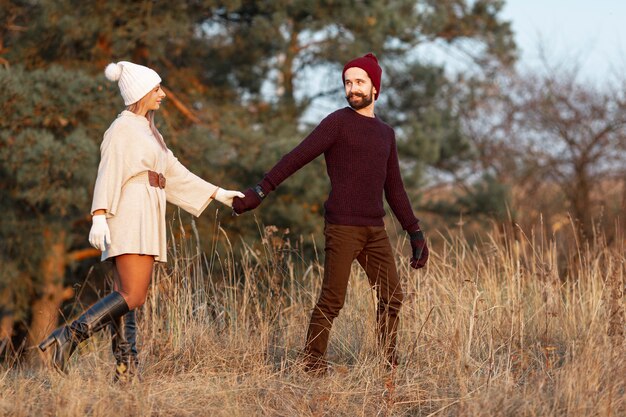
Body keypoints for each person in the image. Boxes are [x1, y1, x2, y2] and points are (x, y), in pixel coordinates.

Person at [38, 61, 244, 380]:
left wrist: (218, 193)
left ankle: (126, 370)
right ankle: (69, 336)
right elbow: (108, 171)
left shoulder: (149, 131)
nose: (162, 94)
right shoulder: (122, 128)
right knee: (135, 294)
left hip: (146, 212)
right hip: (130, 212)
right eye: (157, 89)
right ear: (141, 93)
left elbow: (174, 173)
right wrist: (99, 216)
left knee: (126, 296)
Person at [232, 53, 429, 373]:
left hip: (375, 231)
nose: (352, 88)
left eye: (359, 82)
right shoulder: (337, 123)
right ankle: (312, 365)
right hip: (342, 227)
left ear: (375, 88)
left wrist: (415, 232)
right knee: (332, 300)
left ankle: (388, 365)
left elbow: (394, 189)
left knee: (392, 297)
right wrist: (260, 190)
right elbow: (296, 157)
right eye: (348, 83)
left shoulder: (386, 134)